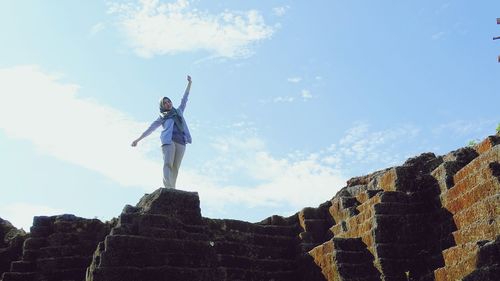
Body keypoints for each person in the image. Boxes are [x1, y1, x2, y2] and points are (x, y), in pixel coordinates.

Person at [131, 75, 193, 189]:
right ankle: (168, 188)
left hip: (181, 142)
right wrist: (138, 140)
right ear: (162, 106)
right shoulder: (162, 117)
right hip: (169, 142)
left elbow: (185, 99)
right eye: (165, 103)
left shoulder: (179, 111)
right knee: (168, 164)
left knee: (175, 167)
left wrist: (189, 83)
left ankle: (172, 188)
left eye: (169, 101)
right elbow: (150, 129)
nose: (168, 103)